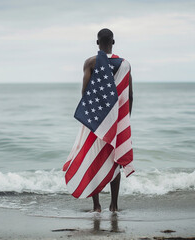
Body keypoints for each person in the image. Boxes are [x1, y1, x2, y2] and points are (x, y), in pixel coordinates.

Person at [63, 28, 134, 212]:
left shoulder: (91, 63)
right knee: (114, 160)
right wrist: (124, 122)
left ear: (97, 43)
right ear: (114, 42)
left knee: (92, 158)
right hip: (117, 121)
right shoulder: (125, 65)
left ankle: (96, 206)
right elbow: (130, 96)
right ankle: (114, 205)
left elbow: (85, 93)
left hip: (95, 120)